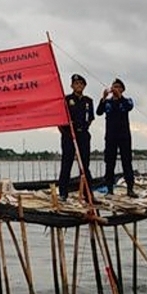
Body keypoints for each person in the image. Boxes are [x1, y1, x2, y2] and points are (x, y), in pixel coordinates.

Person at [96, 77, 137, 198]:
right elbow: (98, 112)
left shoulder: (127, 101)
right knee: (110, 163)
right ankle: (109, 189)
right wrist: (103, 98)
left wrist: (120, 97)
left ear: (123, 89)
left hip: (124, 136)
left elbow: (129, 107)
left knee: (127, 162)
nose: (116, 89)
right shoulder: (107, 102)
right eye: (114, 87)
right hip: (110, 136)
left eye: (119, 87)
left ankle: (130, 188)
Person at [57, 73, 95, 201]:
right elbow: (59, 120)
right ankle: (63, 193)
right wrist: (66, 131)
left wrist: (82, 129)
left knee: (84, 166)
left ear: (84, 86)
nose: (78, 85)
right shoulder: (66, 100)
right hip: (69, 136)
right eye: (76, 83)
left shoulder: (88, 101)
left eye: (81, 84)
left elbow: (90, 119)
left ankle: (88, 194)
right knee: (66, 164)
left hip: (83, 135)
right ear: (72, 85)